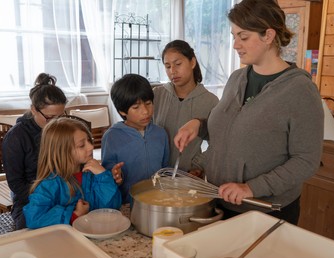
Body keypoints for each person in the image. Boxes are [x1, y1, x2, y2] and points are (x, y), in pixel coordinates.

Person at [173, 0, 324, 225]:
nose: (235, 44)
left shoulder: (301, 91)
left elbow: (306, 161)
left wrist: (251, 188)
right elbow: (231, 126)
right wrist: (199, 125)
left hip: (265, 212)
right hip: (219, 201)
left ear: (268, 35)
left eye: (243, 37)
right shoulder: (237, 78)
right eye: (234, 36)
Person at [23, 118, 122, 229]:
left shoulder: (93, 174)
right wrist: (73, 215)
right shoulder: (49, 184)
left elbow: (113, 207)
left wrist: (104, 176)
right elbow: (33, 218)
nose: (91, 147)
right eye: (81, 145)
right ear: (62, 151)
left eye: (89, 141)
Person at [2, 73, 67, 230]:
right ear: (34, 110)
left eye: (61, 116)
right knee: (33, 228)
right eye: (50, 117)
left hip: (63, 191)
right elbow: (16, 184)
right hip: (30, 198)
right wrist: (46, 198)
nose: (57, 122)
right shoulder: (16, 137)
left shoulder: (64, 128)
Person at [101, 74, 170, 204]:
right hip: (127, 203)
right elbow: (107, 173)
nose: (145, 111)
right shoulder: (111, 137)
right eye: (136, 107)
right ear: (122, 111)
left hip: (158, 201)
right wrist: (115, 175)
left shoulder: (161, 134)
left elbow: (165, 169)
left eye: (148, 103)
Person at [153, 40, 219, 174]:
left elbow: (218, 143)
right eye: (167, 66)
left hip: (188, 178)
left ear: (192, 62)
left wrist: (198, 164)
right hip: (155, 175)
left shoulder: (210, 101)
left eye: (178, 64)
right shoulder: (156, 95)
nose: (173, 71)